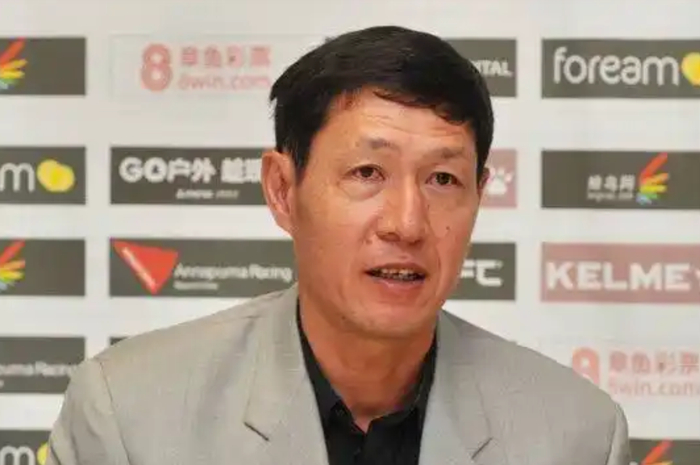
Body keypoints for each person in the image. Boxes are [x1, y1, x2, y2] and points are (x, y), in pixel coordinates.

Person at [46, 26, 630, 465]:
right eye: (367, 173)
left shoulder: (576, 435)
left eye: (442, 179)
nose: (407, 224)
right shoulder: (129, 414)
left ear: (479, 195)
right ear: (282, 190)